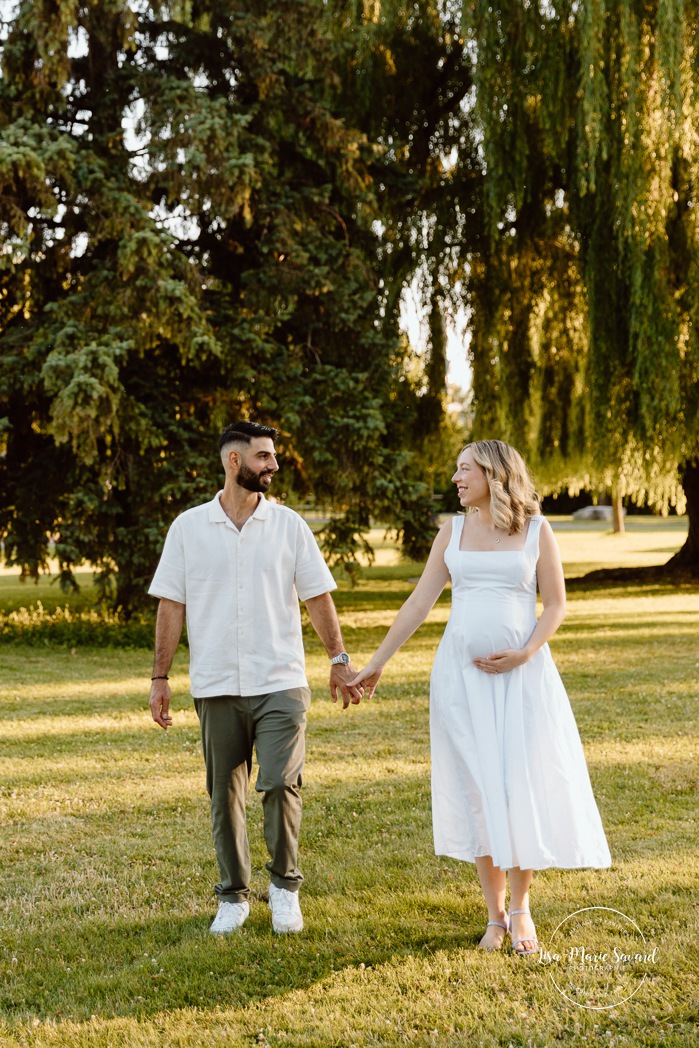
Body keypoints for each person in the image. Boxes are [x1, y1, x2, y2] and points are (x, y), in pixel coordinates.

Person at [350, 440, 611, 954]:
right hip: (460, 682)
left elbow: (555, 605)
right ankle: (494, 918)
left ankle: (520, 910)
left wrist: (525, 652)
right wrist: (375, 663)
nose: (454, 476)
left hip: (522, 680)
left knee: (516, 786)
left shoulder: (537, 530)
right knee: (478, 789)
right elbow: (419, 602)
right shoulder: (452, 531)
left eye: (463, 468)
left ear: (493, 474)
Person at [148, 421, 363, 935]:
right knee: (224, 793)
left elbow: (317, 597)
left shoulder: (290, 527)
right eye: (264, 456)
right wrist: (160, 677)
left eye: (272, 456)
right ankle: (233, 897)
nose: (274, 464)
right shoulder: (188, 528)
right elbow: (170, 605)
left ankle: (285, 890)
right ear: (233, 461)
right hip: (216, 683)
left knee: (282, 784)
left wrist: (339, 660)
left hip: (280, 680)